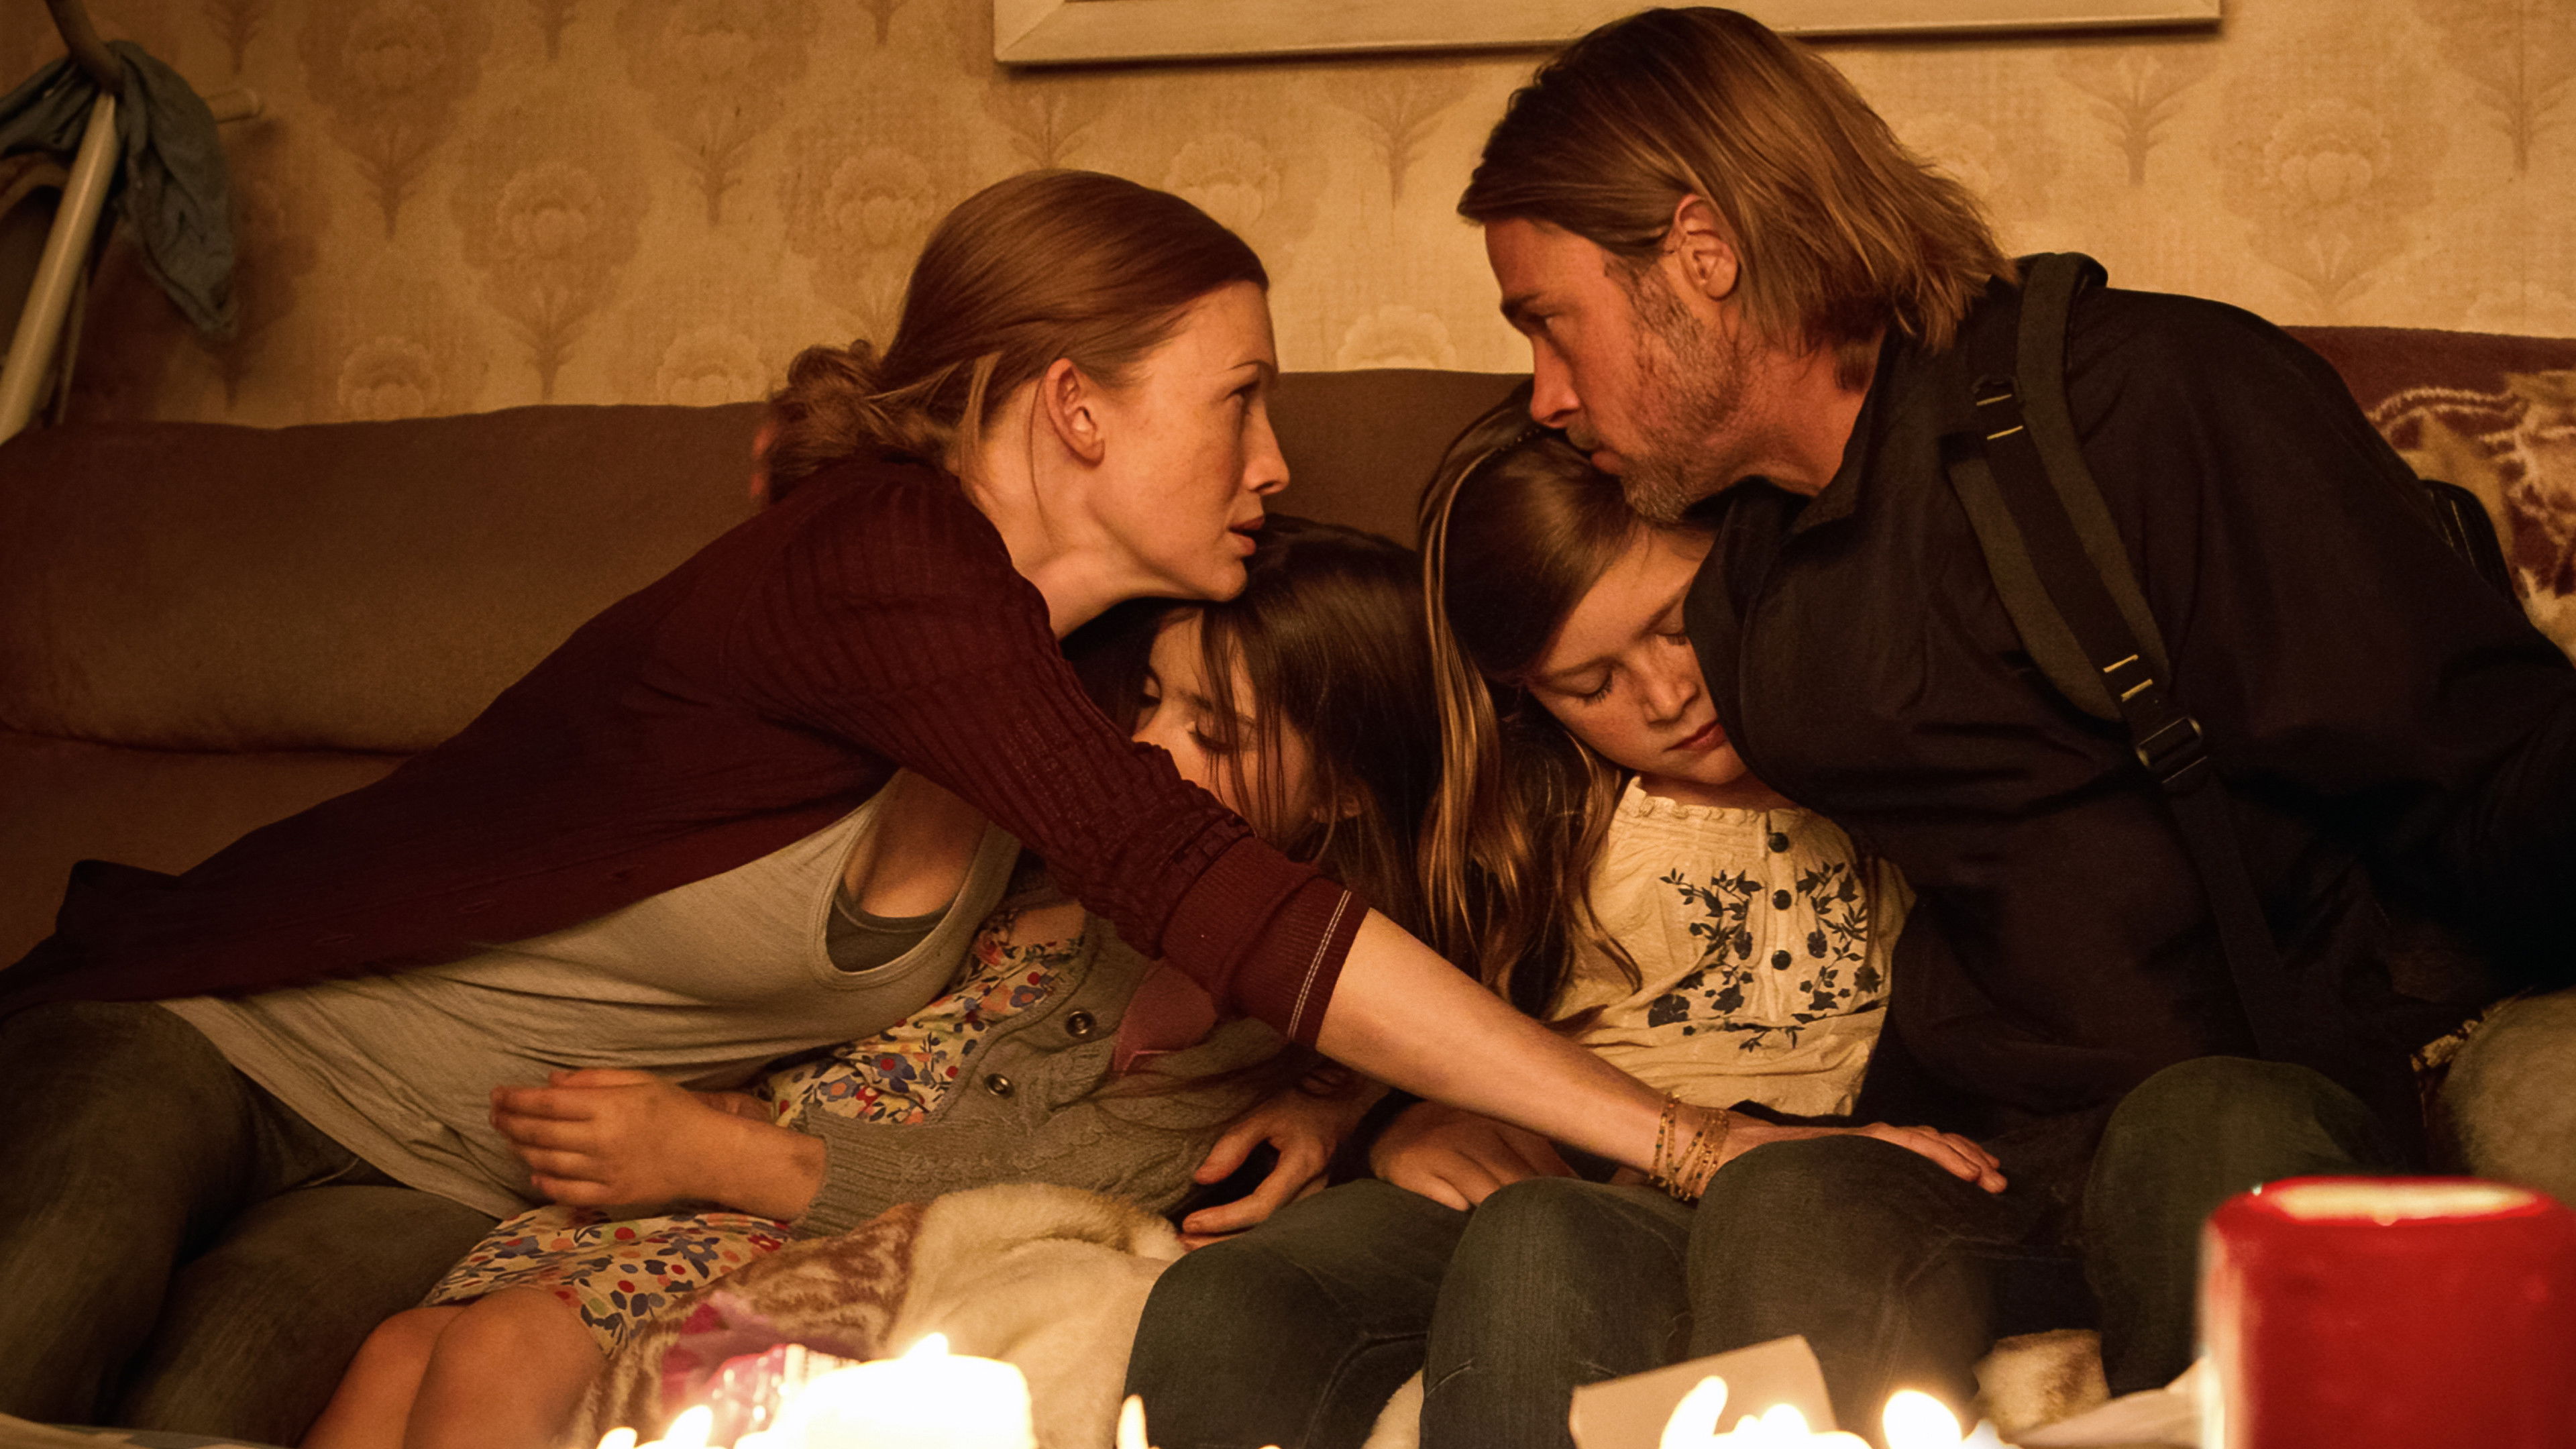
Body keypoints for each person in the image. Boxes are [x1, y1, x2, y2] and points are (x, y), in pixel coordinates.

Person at [0, 170, 1720, 1441]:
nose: (1274, 459)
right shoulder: (889, 560)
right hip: (221, 1030)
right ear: (1075, 409)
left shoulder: (1082, 674)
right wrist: (1695, 1143)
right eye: (1239, 401)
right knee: (34, 1335)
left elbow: (1322, 849)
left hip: (443, 1176)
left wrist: (1350, 1103)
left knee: (198, 1420)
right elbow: (1208, 885)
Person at [1450, 3, 2576, 1431]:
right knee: (1793, 1197)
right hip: (1987, 1139)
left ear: (1703, 252)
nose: (1546, 396)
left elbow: (2487, 762)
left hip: (2269, 1091)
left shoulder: (2139, 407)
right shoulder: (1744, 570)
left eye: (1551, 325)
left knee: (2204, 1124)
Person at [299, 518, 1440, 1449]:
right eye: (1149, 700)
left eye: (1216, 733)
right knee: (398, 1354)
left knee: (500, 1351)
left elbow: (1046, 1185)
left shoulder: (1259, 1018)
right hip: (716, 1180)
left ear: (1346, 790)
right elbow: (860, 1024)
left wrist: (720, 1151)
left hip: (818, 1239)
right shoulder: (1062, 863)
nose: (1149, 748)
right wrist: (728, 1110)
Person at [1126, 405, 2005, 1449]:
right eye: (1593, 684)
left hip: (1826, 1183)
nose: (1669, 695)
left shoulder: (1897, 759)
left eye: (1680, 626)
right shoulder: (1539, 808)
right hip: (1569, 1170)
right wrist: (1370, 1112)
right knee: (1231, 1298)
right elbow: (1407, 969)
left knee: (1545, 1236)